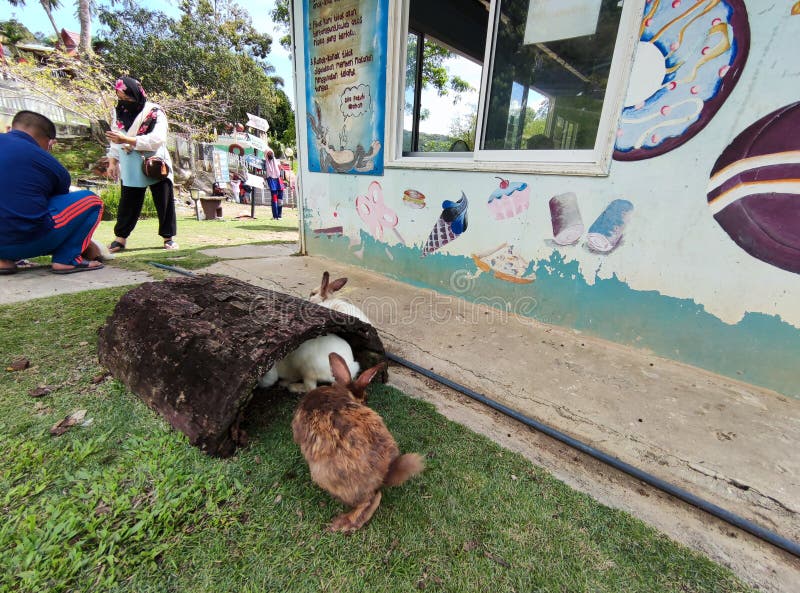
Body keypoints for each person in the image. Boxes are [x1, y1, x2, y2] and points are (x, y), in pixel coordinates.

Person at [0, 110, 104, 274]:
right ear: (49, 141)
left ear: (10, 129)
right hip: (28, 241)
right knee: (92, 201)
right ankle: (67, 259)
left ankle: (3, 261)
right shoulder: (48, 162)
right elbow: (57, 201)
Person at [105, 76, 178, 252]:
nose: (124, 102)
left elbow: (157, 139)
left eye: (128, 98)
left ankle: (168, 237)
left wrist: (128, 139)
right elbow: (115, 140)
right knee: (128, 201)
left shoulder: (154, 112)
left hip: (154, 162)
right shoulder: (119, 113)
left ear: (136, 94)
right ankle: (120, 238)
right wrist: (112, 161)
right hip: (130, 162)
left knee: (164, 200)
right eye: (121, 98)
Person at [265, 149, 283, 220]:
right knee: (274, 199)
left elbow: (281, 169)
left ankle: (280, 215)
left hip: (279, 180)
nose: (270, 154)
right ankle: (275, 216)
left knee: (280, 199)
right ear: (266, 154)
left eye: (271, 153)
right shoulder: (265, 163)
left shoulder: (277, 161)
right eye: (269, 153)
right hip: (271, 180)